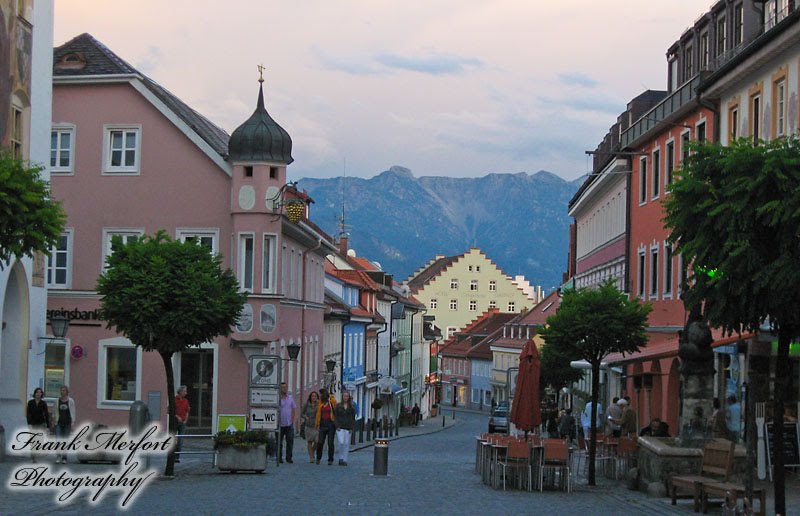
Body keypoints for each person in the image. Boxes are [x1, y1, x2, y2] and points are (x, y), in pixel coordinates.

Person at [26, 387, 50, 463]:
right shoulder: (30, 402)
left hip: (41, 424)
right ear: (35, 393)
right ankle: (33, 456)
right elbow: (28, 414)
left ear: (41, 394)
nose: (38, 394)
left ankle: (37, 456)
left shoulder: (43, 403)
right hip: (33, 423)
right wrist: (29, 424)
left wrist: (48, 426)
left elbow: (46, 414)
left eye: (40, 392)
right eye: (37, 392)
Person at [315, 388, 337, 465]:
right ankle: (318, 458)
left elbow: (336, 411)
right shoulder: (320, 403)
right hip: (322, 423)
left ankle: (330, 459)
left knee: (330, 442)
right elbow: (318, 414)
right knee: (320, 442)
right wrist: (317, 424)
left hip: (331, 424)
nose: (319, 396)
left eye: (320, 395)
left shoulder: (332, 401)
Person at [334, 391, 356, 466]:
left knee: (346, 443)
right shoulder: (338, 406)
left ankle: (345, 459)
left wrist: (352, 427)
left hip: (348, 427)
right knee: (341, 442)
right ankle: (340, 457)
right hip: (340, 427)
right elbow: (335, 416)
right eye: (344, 396)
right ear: (342, 397)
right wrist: (337, 426)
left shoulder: (351, 407)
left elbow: (353, 418)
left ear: (348, 397)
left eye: (347, 396)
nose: (345, 398)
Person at [54, 385, 76, 464]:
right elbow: (55, 412)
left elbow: (73, 412)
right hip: (59, 423)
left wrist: (73, 423)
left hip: (67, 423)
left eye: (63, 390)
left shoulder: (71, 401)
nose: (62, 392)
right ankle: (58, 456)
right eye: (61, 390)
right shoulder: (57, 401)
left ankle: (64, 457)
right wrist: (54, 422)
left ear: (67, 392)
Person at [278, 382, 297, 463]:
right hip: (279, 424)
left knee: (290, 441)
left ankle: (289, 458)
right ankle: (279, 457)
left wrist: (293, 418)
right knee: (279, 442)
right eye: (282, 387)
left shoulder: (290, 398)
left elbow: (294, 408)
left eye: (285, 387)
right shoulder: (277, 398)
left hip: (289, 423)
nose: (284, 389)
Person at [301, 391, 320, 463]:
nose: (314, 397)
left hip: (316, 425)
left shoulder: (319, 405)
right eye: (312, 396)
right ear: (310, 397)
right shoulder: (307, 404)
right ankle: (311, 457)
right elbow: (302, 413)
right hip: (308, 425)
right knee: (309, 441)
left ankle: (312, 451)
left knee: (317, 441)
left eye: (315, 396)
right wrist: (306, 417)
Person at [174, 385, 190, 462]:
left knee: (180, 441)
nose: (186, 393)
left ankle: (177, 456)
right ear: (180, 392)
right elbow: (169, 411)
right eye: (184, 391)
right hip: (175, 422)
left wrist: (185, 420)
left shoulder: (185, 401)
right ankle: (172, 456)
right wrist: (177, 417)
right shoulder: (174, 400)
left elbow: (187, 411)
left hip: (182, 423)